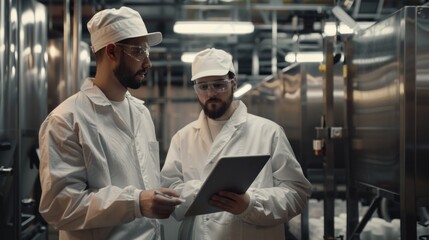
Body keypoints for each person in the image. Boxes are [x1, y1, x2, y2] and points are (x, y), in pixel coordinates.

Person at [38, 7, 182, 240]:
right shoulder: (66, 119)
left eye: (147, 52)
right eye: (139, 51)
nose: (148, 63)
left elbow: (147, 183)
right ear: (112, 51)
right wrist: (135, 203)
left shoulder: (141, 113)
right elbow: (58, 207)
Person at [161, 48, 312, 240]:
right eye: (203, 86)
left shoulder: (268, 132)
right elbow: (169, 193)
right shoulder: (183, 138)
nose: (211, 93)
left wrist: (250, 204)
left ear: (233, 83)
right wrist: (201, 192)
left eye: (219, 85)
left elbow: (297, 193)